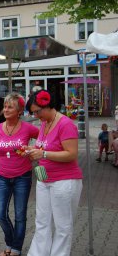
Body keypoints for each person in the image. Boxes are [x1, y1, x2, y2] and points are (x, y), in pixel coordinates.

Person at [26, 89, 83, 256]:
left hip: (64, 181)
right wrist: (32, 149)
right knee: (42, 221)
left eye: (38, 111)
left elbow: (71, 154)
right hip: (44, 179)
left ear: (49, 106)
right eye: (33, 112)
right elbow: (43, 146)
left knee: (62, 226)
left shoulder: (65, 124)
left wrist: (43, 154)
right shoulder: (45, 123)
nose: (36, 115)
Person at [0, 93, 39, 256]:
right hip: (2, 176)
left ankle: (15, 249)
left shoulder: (28, 128)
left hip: (23, 177)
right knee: (0, 213)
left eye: (10, 107)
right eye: (5, 107)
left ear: (19, 111)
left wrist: (33, 150)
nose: (6, 110)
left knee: (20, 215)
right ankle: (10, 242)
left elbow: (44, 139)